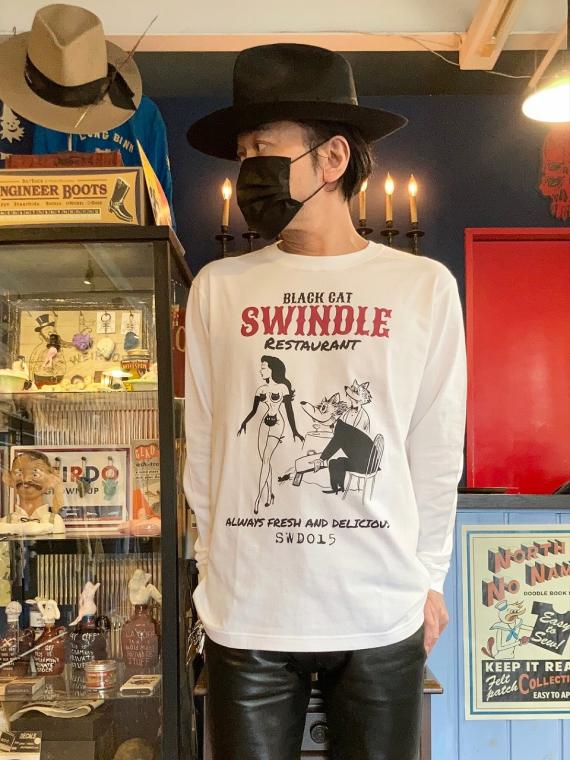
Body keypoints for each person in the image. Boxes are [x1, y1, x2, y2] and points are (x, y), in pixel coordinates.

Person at [184, 43, 467, 760]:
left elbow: (434, 447)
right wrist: (210, 572)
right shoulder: (220, 287)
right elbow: (207, 441)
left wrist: (429, 578)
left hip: (379, 606)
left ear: (333, 157)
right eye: (242, 155)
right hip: (248, 609)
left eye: (263, 148)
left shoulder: (422, 288)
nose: (249, 170)